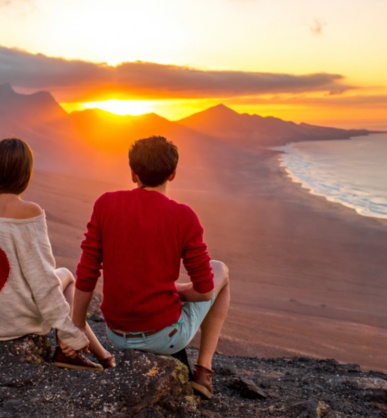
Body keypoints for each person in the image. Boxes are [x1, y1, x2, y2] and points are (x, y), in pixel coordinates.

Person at [72, 136, 230, 398]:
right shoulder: (183, 216)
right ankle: (204, 371)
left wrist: (76, 325)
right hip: (164, 337)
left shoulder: (105, 204)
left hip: (117, 335)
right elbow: (204, 291)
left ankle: (201, 370)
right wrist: (174, 291)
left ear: (133, 173)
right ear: (173, 174)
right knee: (221, 270)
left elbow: (87, 271)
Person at [0, 138, 115, 371]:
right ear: (25, 173)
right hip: (15, 323)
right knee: (64, 275)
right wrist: (70, 333)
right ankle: (72, 350)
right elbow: (43, 282)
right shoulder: (28, 212)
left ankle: (102, 356)